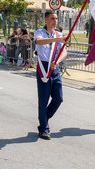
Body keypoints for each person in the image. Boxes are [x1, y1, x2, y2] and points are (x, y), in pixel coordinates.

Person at [35, 11, 67, 140]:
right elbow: (39, 42)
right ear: (46, 20)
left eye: (56, 19)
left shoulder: (59, 34)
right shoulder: (40, 32)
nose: (55, 21)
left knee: (58, 98)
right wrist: (57, 39)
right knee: (43, 100)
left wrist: (57, 62)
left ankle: (44, 118)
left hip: (54, 68)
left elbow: (64, 51)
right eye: (52, 18)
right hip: (43, 67)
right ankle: (44, 128)